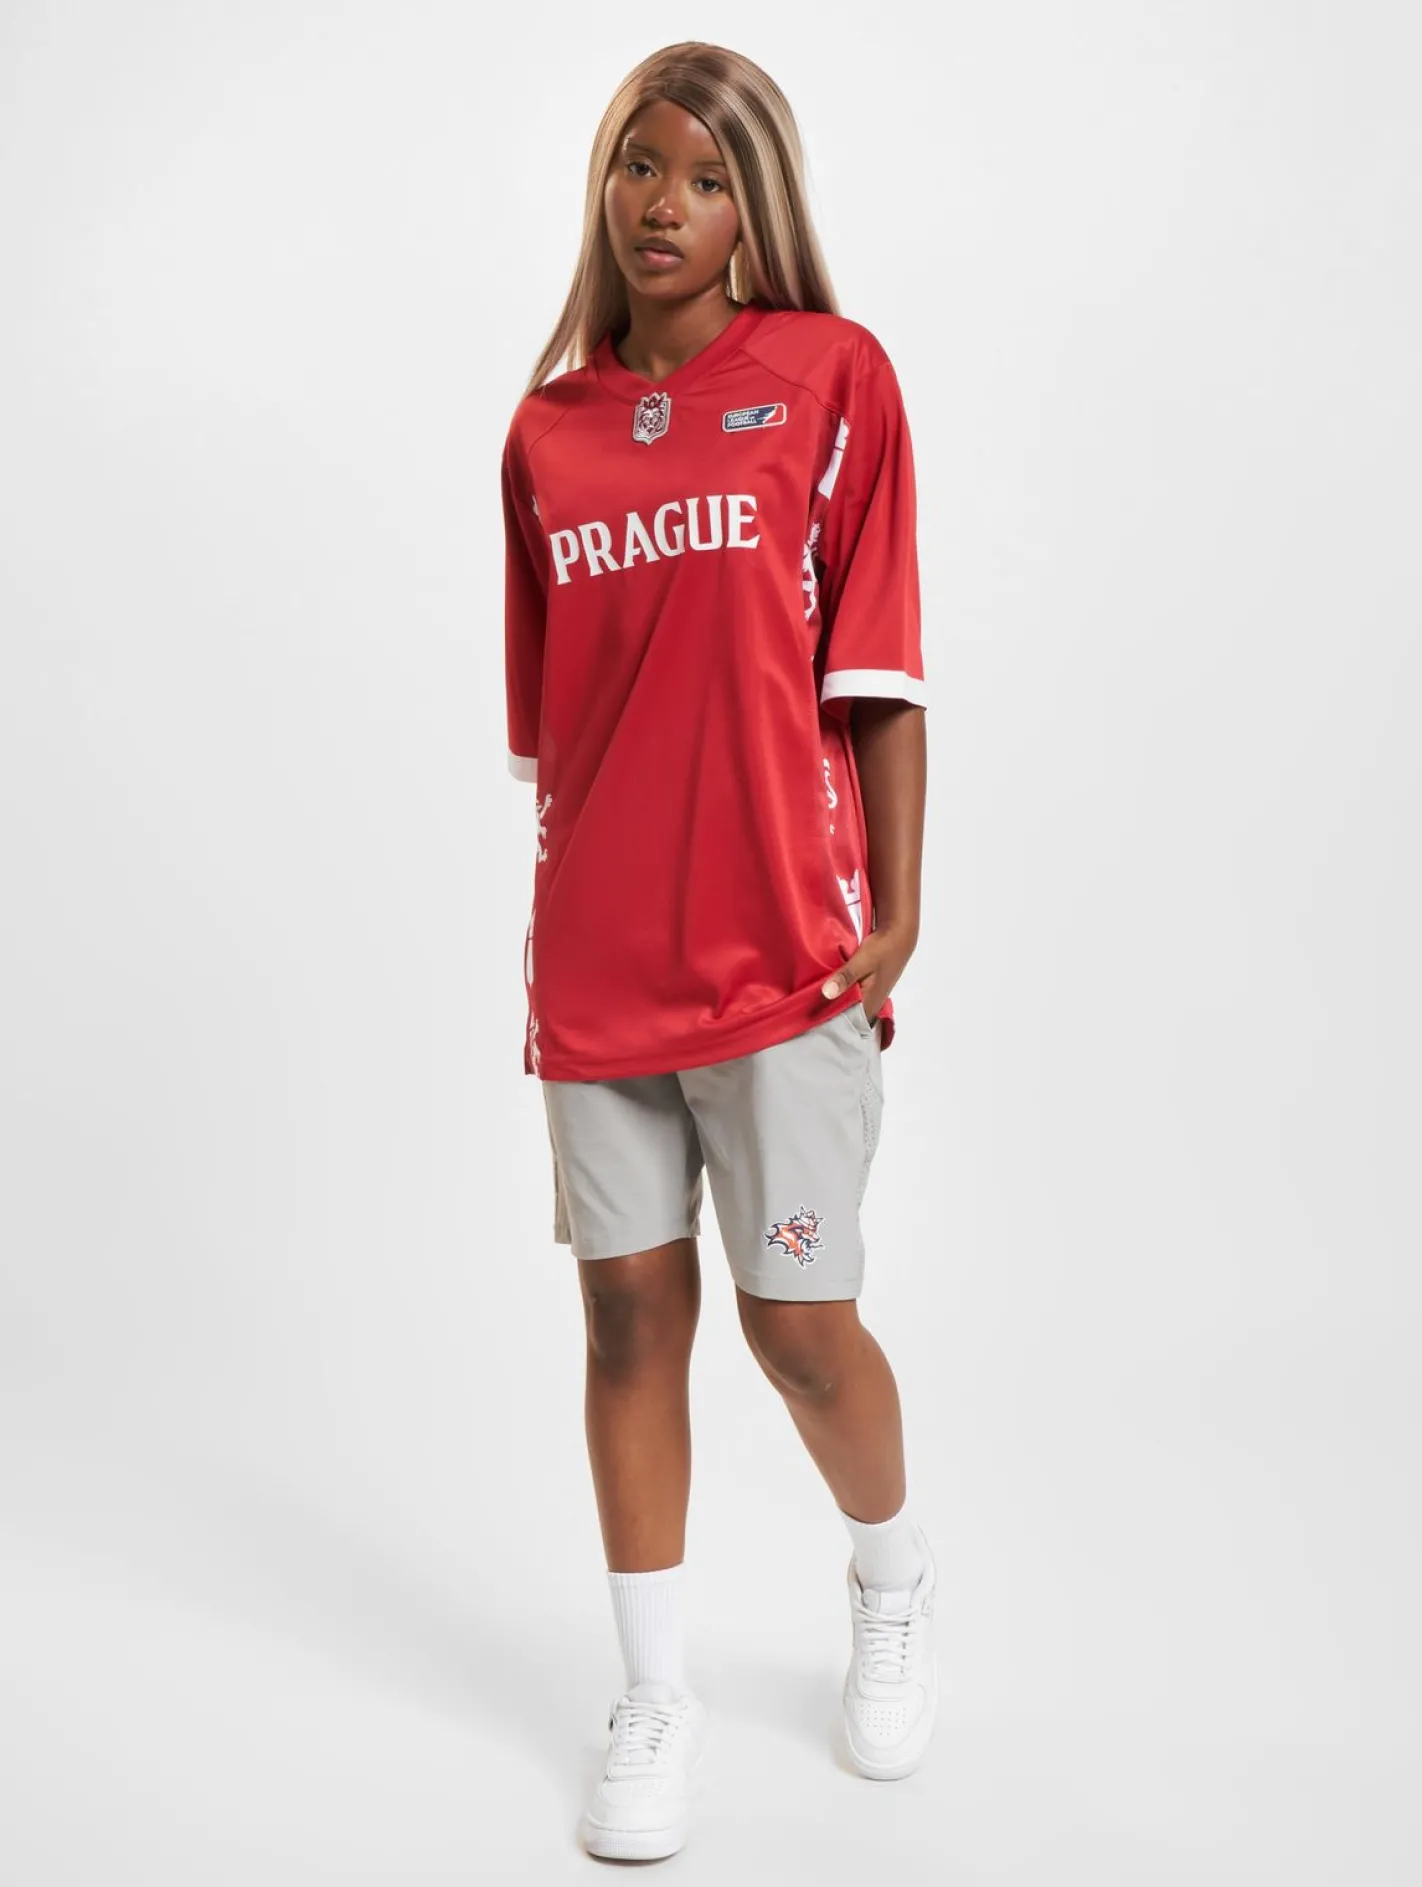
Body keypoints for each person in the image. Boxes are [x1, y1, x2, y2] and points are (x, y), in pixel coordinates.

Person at [501, 41, 935, 1863]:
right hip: (599, 966)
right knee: (626, 1321)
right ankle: (654, 1691)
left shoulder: (831, 381)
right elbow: (559, 735)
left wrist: (896, 902)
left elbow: (878, 670)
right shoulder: (546, 433)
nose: (660, 204)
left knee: (799, 1331)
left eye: (700, 174)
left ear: (754, 204)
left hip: (782, 960)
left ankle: (890, 1578)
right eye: (636, 166)